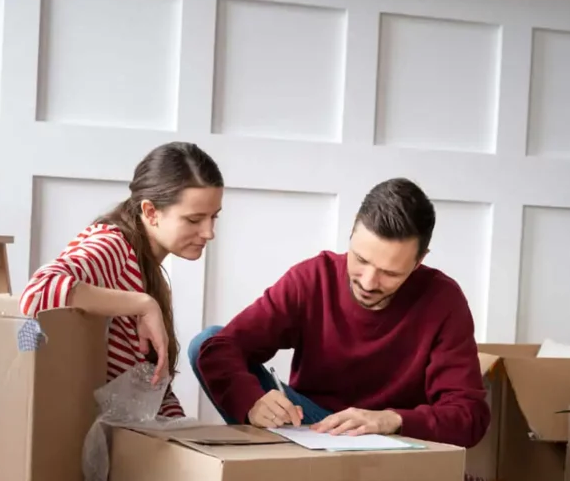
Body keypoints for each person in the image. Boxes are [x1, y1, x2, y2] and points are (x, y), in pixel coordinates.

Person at [189, 177, 489, 447]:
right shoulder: (313, 279)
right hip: (312, 428)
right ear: (353, 229)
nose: (369, 282)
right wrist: (251, 401)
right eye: (360, 259)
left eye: (390, 273)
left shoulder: (443, 300)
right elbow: (220, 349)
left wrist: (390, 420)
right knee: (205, 341)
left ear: (419, 260)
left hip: (390, 445)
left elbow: (469, 416)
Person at [20, 141, 223, 418]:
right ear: (150, 212)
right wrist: (143, 304)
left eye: (214, 217)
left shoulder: (148, 271)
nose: (209, 232)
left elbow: (154, 387)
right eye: (194, 219)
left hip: (127, 438)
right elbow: (38, 292)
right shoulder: (112, 246)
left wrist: (186, 437)